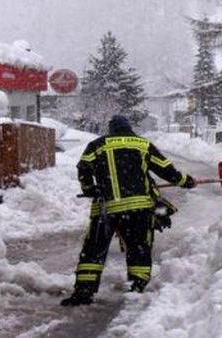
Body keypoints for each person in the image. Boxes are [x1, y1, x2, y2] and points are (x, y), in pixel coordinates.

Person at [60, 115, 197, 306]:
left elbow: (83, 167)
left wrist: (89, 189)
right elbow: (165, 169)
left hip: (106, 208)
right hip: (137, 208)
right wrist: (185, 181)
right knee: (138, 247)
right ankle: (137, 287)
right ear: (128, 128)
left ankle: (84, 291)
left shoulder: (97, 145)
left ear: (111, 129)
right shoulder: (142, 144)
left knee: (93, 250)